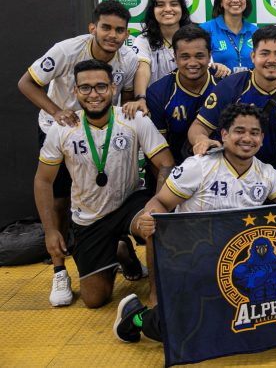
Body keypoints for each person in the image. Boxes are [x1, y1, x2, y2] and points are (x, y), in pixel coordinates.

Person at [112, 103, 276, 343]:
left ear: (262, 139)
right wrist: (149, 217)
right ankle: (137, 315)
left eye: (254, 133)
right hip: (193, 262)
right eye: (239, 131)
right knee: (185, 333)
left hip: (237, 269)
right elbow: (160, 202)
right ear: (224, 135)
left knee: (261, 324)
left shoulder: (266, 174)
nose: (247, 138)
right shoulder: (198, 166)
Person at [18, 0, 144, 306]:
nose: (112, 35)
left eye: (119, 30)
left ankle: (117, 248)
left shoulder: (128, 59)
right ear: (93, 28)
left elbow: (125, 99)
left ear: (126, 33)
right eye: (106, 28)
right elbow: (26, 83)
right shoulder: (67, 50)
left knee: (111, 195)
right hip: (60, 128)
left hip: (101, 132)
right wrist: (57, 112)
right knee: (60, 201)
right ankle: (59, 270)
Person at [35, 60, 174, 309]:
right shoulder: (62, 129)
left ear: (112, 88)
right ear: (75, 91)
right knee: (94, 299)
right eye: (85, 88)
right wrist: (51, 231)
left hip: (129, 204)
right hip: (90, 218)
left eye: (100, 86)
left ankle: (156, 299)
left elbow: (166, 163)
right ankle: (120, 251)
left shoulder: (133, 119)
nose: (93, 94)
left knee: (153, 222)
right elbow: (43, 180)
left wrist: (158, 205)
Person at [188, 25, 276, 173]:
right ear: (253, 57)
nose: (272, 60)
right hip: (225, 171)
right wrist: (201, 140)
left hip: (272, 172)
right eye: (265, 53)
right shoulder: (230, 87)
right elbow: (198, 127)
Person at [146, 25, 216, 165]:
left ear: (209, 56)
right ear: (175, 57)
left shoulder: (225, 86)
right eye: (185, 57)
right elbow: (157, 152)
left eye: (199, 56)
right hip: (174, 168)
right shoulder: (158, 93)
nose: (192, 63)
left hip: (219, 168)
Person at [201, 0, 258, 73]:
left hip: (249, 82)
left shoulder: (256, 32)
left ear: (246, 0)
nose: (235, 0)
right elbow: (196, 62)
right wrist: (211, 66)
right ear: (220, 1)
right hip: (217, 82)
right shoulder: (205, 30)